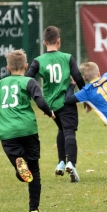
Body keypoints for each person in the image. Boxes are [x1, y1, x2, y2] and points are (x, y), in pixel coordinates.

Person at [0, 49, 55, 212]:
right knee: (34, 170)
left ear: (8, 68)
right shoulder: (29, 82)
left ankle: (19, 166)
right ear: (26, 66)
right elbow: (39, 101)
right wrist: (50, 113)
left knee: (23, 168)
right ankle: (34, 209)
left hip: (7, 132)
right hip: (27, 129)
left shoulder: (1, 84)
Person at [26, 26, 90, 183]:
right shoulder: (67, 57)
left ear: (44, 42)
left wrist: (38, 98)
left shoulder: (38, 61)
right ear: (59, 41)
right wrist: (85, 98)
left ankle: (61, 162)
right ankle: (71, 164)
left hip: (51, 105)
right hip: (66, 101)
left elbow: (27, 79)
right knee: (69, 131)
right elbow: (77, 77)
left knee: (62, 129)